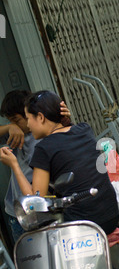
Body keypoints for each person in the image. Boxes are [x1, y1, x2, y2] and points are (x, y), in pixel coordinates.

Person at [0, 90, 119, 235]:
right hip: (111, 216)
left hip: (82, 227)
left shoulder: (44, 148)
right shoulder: (84, 129)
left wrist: (14, 165)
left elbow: (35, 202)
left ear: (41, 117)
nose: (29, 125)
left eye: (28, 118)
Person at [0, 90, 71, 242]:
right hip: (18, 212)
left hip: (44, 207)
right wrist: (9, 128)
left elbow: (35, 196)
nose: (14, 124)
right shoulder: (15, 133)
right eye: (10, 120)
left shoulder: (47, 136)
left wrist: (64, 120)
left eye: (16, 120)